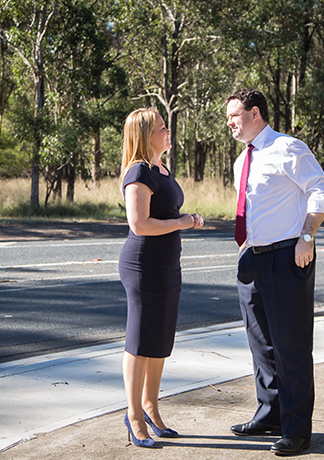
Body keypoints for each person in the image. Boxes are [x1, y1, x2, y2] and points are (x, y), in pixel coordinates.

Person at [226, 89, 324, 456]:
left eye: (234, 116)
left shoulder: (288, 148)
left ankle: (297, 430)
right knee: (261, 345)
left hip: (289, 257)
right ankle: (270, 414)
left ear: (255, 113)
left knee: (292, 348)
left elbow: (321, 192)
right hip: (252, 259)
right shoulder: (243, 160)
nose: (230, 124)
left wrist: (307, 237)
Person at [118, 107, 204, 448]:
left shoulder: (161, 169)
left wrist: (186, 219)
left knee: (160, 339)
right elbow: (139, 224)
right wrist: (182, 223)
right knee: (139, 342)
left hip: (168, 264)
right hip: (143, 265)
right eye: (162, 128)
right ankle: (134, 415)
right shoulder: (138, 171)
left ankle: (151, 406)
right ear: (144, 135)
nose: (168, 131)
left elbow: (164, 213)